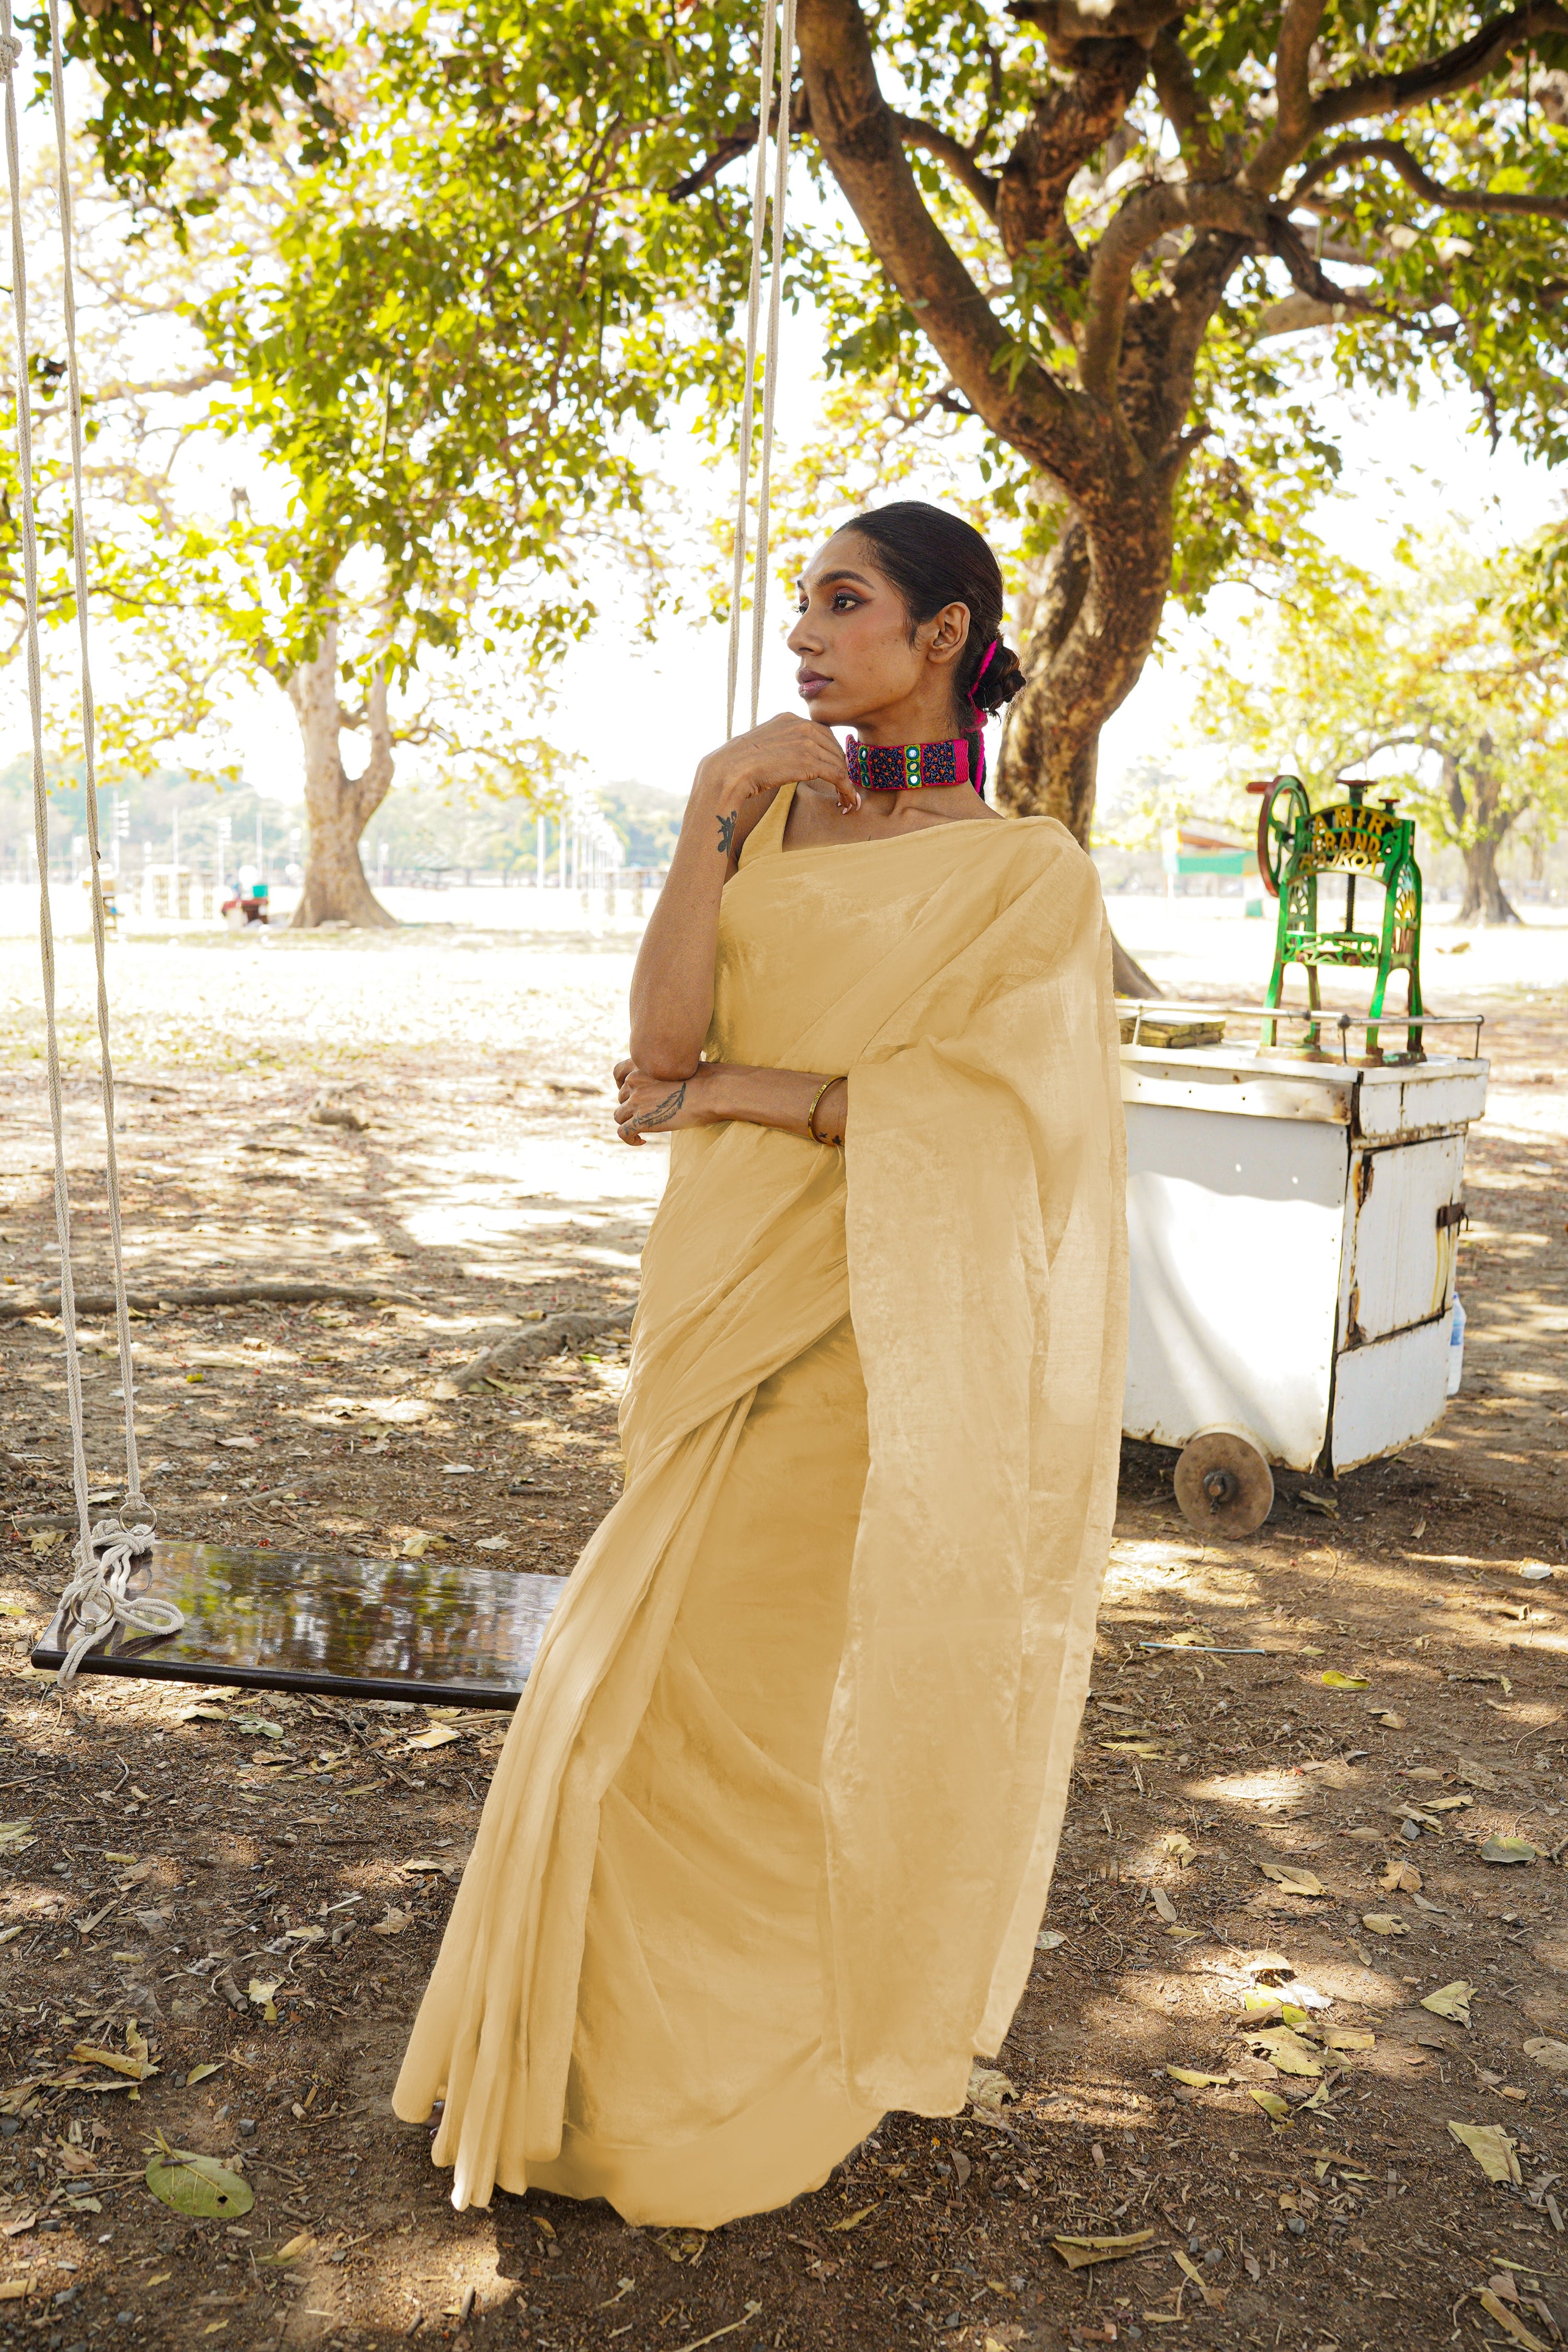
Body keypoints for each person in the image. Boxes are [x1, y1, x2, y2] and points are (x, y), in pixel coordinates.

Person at [394, 499, 1128, 2230]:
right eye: (802, 600)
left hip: (872, 1333)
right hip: (717, 1293)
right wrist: (716, 811)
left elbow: (992, 1129)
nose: (807, 630)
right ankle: (576, 2077)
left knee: (746, 1713)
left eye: (845, 599)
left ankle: (731, 2091)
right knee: (622, 1701)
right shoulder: (772, 819)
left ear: (946, 632)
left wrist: (742, 1093)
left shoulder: (1032, 876)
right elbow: (656, 1044)